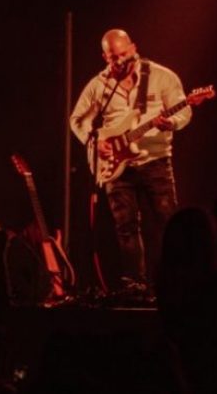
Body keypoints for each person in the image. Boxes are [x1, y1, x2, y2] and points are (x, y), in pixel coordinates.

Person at [69, 29, 192, 295]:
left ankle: (173, 283)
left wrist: (170, 122)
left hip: (156, 160)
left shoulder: (162, 76)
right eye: (113, 57)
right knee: (125, 228)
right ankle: (136, 285)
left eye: (124, 54)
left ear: (133, 48)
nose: (120, 61)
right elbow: (77, 119)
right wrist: (94, 142)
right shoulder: (99, 84)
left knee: (168, 224)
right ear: (105, 57)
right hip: (115, 166)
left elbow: (184, 111)